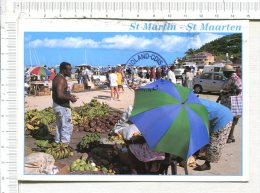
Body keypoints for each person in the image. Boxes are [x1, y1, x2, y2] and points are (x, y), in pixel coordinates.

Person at [194, 98, 233, 171]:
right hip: (220, 114)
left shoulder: (196, 107)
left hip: (224, 118)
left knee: (215, 141)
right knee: (207, 136)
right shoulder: (195, 102)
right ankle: (202, 154)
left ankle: (207, 164)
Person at [52, 62, 77, 144]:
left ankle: (58, 143)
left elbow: (61, 92)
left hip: (57, 105)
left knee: (60, 126)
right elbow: (59, 95)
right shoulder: (61, 79)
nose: (71, 72)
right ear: (63, 70)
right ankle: (64, 145)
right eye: (69, 70)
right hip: (62, 106)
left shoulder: (57, 77)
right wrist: (71, 98)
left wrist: (69, 95)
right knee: (66, 126)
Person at [216, 64, 242, 143]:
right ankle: (230, 136)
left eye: (224, 72)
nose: (223, 74)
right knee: (228, 120)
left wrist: (226, 92)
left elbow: (238, 90)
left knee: (231, 120)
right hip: (226, 102)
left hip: (233, 102)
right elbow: (223, 90)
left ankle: (230, 137)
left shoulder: (235, 79)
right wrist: (219, 99)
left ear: (228, 72)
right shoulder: (228, 79)